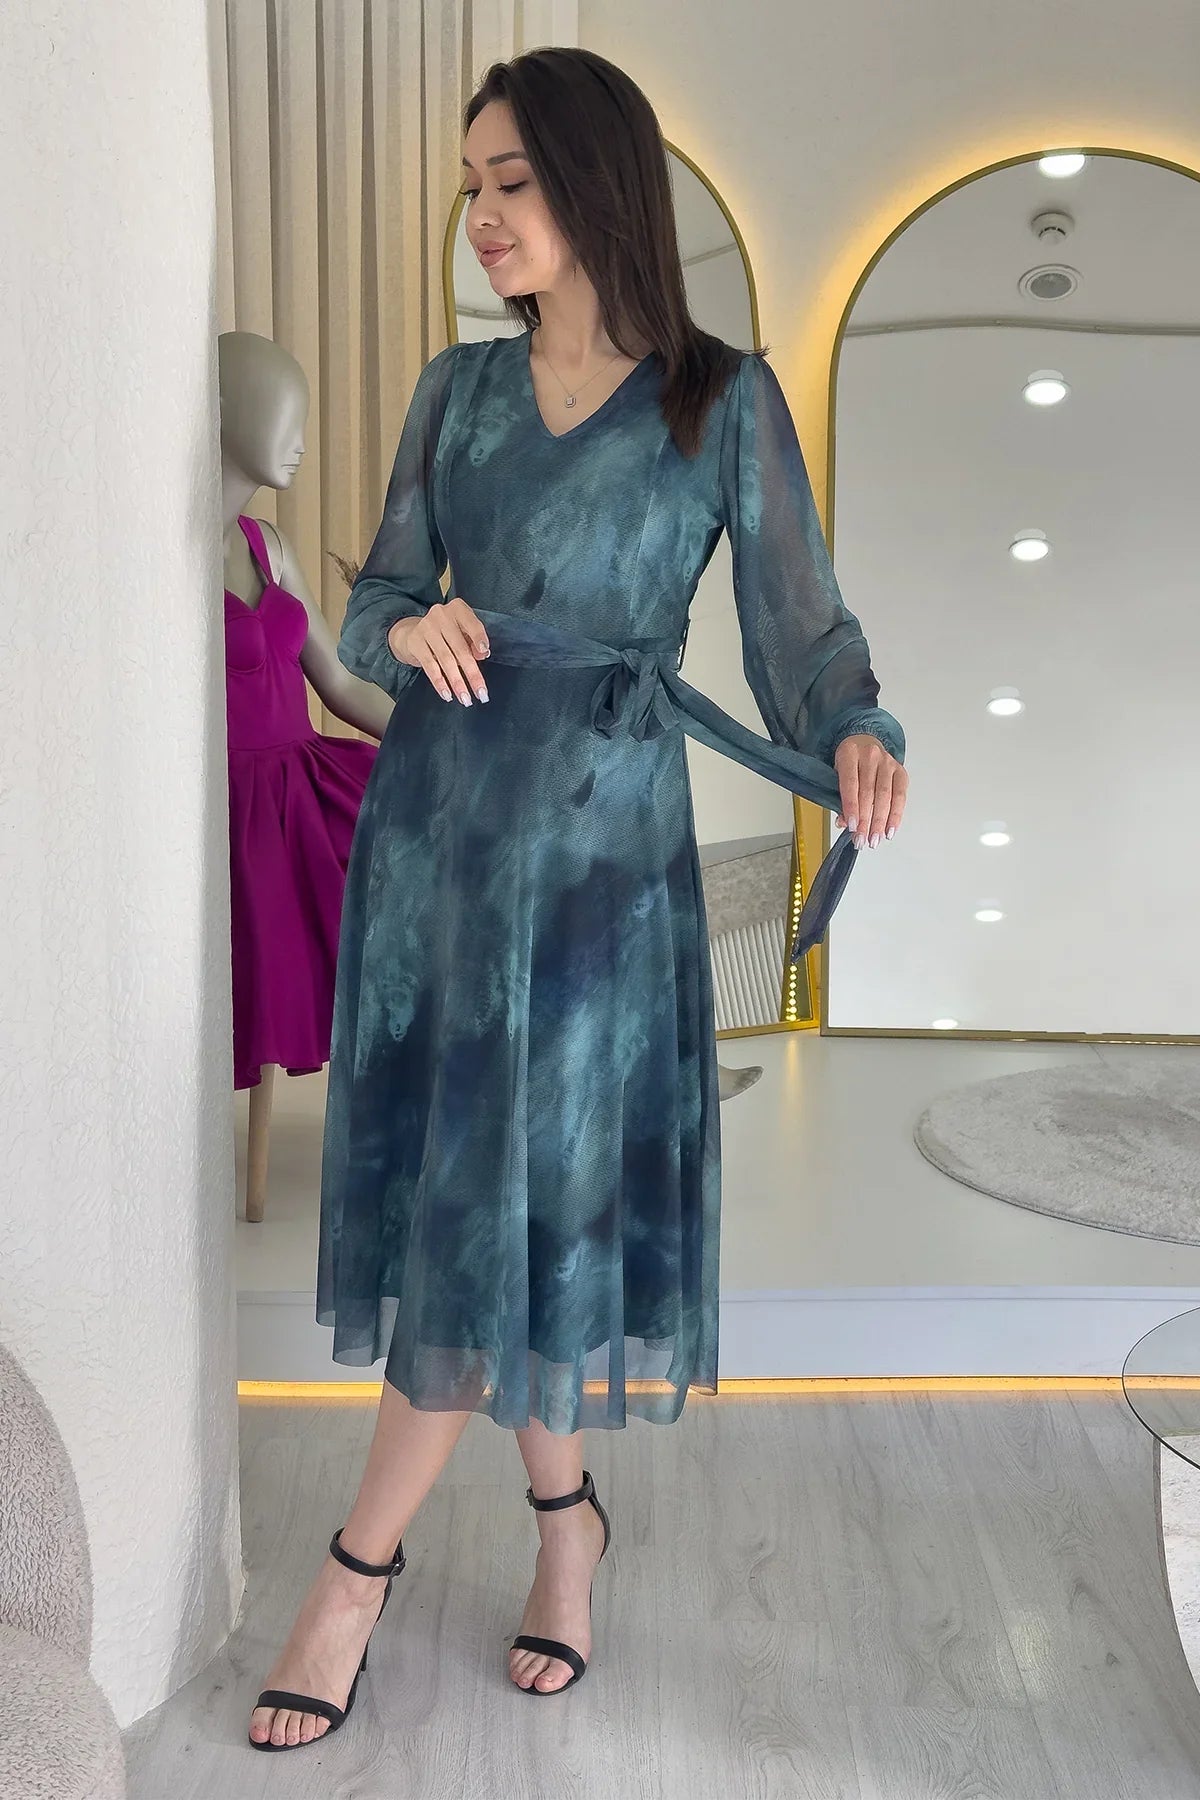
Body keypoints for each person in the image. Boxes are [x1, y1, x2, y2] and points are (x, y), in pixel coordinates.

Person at [248, 46, 908, 1753]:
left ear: (598, 180)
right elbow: (381, 592)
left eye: (512, 180)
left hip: (603, 879)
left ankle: (356, 1573)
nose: (481, 215)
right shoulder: (456, 393)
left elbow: (802, 631)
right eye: (471, 186)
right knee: (479, 1213)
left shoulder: (719, 400)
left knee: (511, 1211)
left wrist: (856, 726)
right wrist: (411, 622)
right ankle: (566, 1527)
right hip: (443, 853)